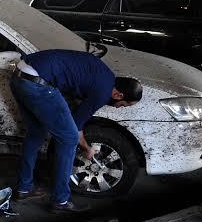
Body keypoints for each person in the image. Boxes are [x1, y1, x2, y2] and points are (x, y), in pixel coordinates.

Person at [9, 49, 143, 213]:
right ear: (118, 94)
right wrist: (87, 148)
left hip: (18, 76)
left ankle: (24, 189)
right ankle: (61, 200)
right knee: (69, 140)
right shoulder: (102, 92)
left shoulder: (103, 75)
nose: (120, 108)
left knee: (36, 134)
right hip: (39, 84)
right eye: (124, 104)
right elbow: (76, 126)